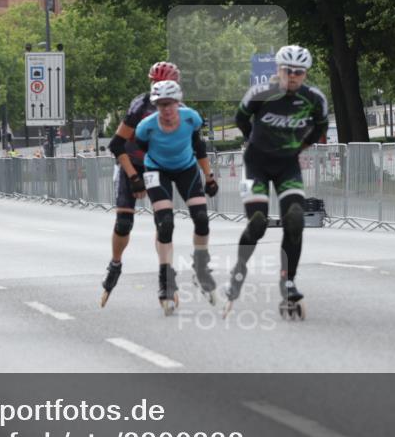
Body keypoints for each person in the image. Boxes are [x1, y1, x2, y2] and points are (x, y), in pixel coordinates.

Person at [224, 45, 328, 319]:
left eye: (299, 72)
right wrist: (255, 141)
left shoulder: (314, 99)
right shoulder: (260, 94)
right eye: (288, 71)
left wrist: (298, 148)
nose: (293, 77)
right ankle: (239, 268)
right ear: (278, 70)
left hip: (287, 165)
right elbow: (241, 119)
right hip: (256, 164)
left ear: (305, 74)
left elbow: (319, 128)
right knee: (257, 222)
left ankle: (288, 280)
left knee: (295, 218)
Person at [101, 61, 192, 307]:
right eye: (154, 83)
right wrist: (133, 178)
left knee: (165, 223)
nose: (159, 88)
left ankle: (166, 276)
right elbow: (116, 145)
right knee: (124, 223)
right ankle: (115, 263)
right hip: (130, 163)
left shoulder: (180, 110)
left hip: (155, 166)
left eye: (166, 84)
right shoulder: (140, 105)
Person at [133, 79, 219, 314]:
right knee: (166, 223)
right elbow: (138, 154)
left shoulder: (191, 118)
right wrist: (136, 180)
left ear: (178, 102)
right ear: (155, 105)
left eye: (169, 104)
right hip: (156, 170)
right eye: (161, 105)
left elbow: (199, 148)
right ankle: (166, 281)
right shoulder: (146, 127)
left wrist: (209, 176)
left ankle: (201, 268)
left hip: (186, 168)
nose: (166, 110)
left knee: (201, 218)